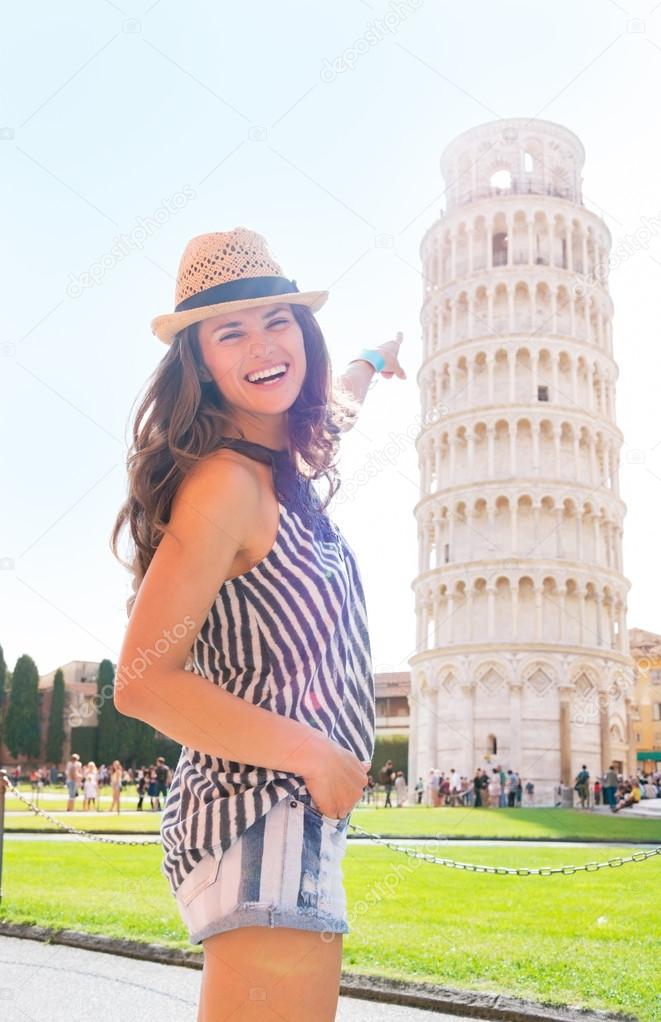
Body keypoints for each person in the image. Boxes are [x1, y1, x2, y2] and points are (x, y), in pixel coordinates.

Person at [110, 226, 406, 1021]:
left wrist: (374, 360)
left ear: (302, 334)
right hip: (257, 813)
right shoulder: (225, 486)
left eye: (278, 320)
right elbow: (141, 683)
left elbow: (334, 405)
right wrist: (314, 752)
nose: (262, 344)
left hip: (284, 814)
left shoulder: (286, 466)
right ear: (200, 362)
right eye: (229, 331)